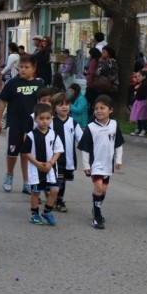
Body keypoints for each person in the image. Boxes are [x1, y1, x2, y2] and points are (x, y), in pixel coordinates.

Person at [0, 54, 43, 194]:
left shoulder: (39, 85)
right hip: (15, 123)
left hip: (32, 125)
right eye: (21, 67)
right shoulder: (12, 83)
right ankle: (9, 175)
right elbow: (2, 102)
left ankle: (27, 181)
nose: (23, 70)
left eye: (26, 67)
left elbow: (44, 105)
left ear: (33, 69)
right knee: (12, 152)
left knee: (26, 153)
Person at [78, 95, 125, 229]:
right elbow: (85, 149)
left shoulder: (114, 125)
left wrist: (118, 159)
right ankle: (97, 217)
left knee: (103, 190)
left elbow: (118, 144)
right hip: (96, 164)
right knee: (98, 187)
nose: (98, 111)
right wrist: (86, 165)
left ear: (110, 110)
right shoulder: (91, 127)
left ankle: (96, 206)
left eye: (102, 108)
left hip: (108, 164)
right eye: (96, 108)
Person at [21, 104, 63, 226]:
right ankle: (35, 214)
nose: (45, 121)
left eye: (47, 118)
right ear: (35, 119)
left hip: (50, 168)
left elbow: (58, 150)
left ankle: (47, 211)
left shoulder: (53, 134)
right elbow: (25, 153)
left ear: (51, 118)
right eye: (41, 118)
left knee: (54, 190)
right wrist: (38, 163)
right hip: (36, 168)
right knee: (36, 192)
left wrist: (51, 163)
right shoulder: (31, 135)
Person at [51, 92, 80, 213]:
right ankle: (53, 198)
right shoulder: (51, 122)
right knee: (56, 180)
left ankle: (58, 200)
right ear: (54, 108)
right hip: (54, 158)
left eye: (67, 104)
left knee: (62, 182)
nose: (64, 107)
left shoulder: (73, 122)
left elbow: (82, 139)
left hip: (68, 158)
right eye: (60, 105)